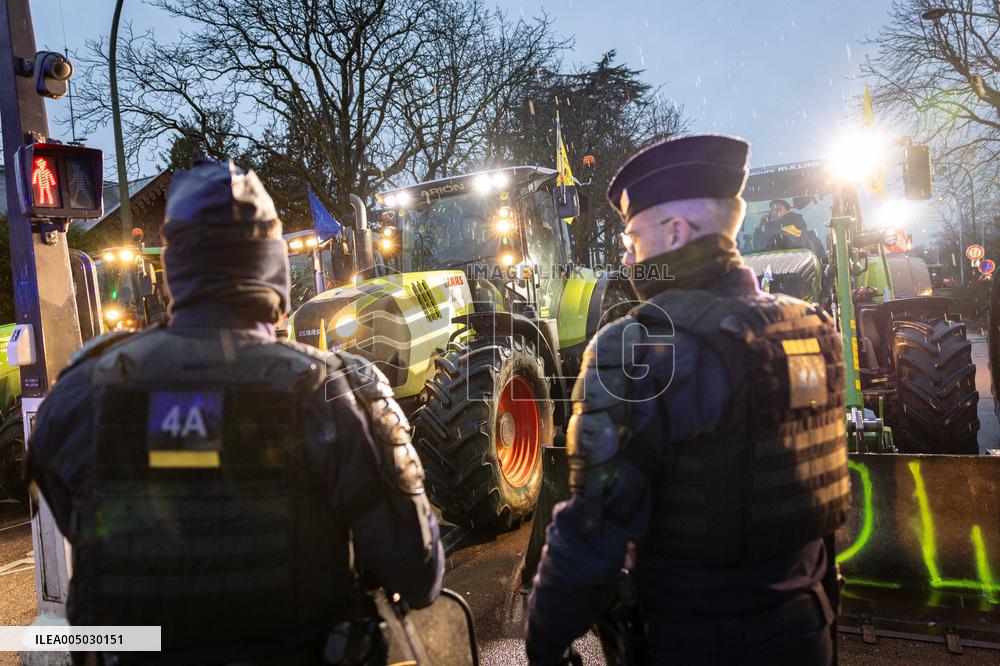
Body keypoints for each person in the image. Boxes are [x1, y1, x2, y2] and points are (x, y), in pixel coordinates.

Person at [27, 159, 443, 665]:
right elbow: (417, 573)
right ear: (272, 263)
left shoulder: (80, 393)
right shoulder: (331, 392)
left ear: (172, 266)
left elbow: (68, 511)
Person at [526, 135, 849, 665]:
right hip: (808, 631)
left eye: (633, 236)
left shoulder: (636, 349)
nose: (626, 255)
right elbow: (816, 498)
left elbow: (592, 531)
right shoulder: (813, 328)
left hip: (692, 642)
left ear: (675, 231)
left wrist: (543, 642)